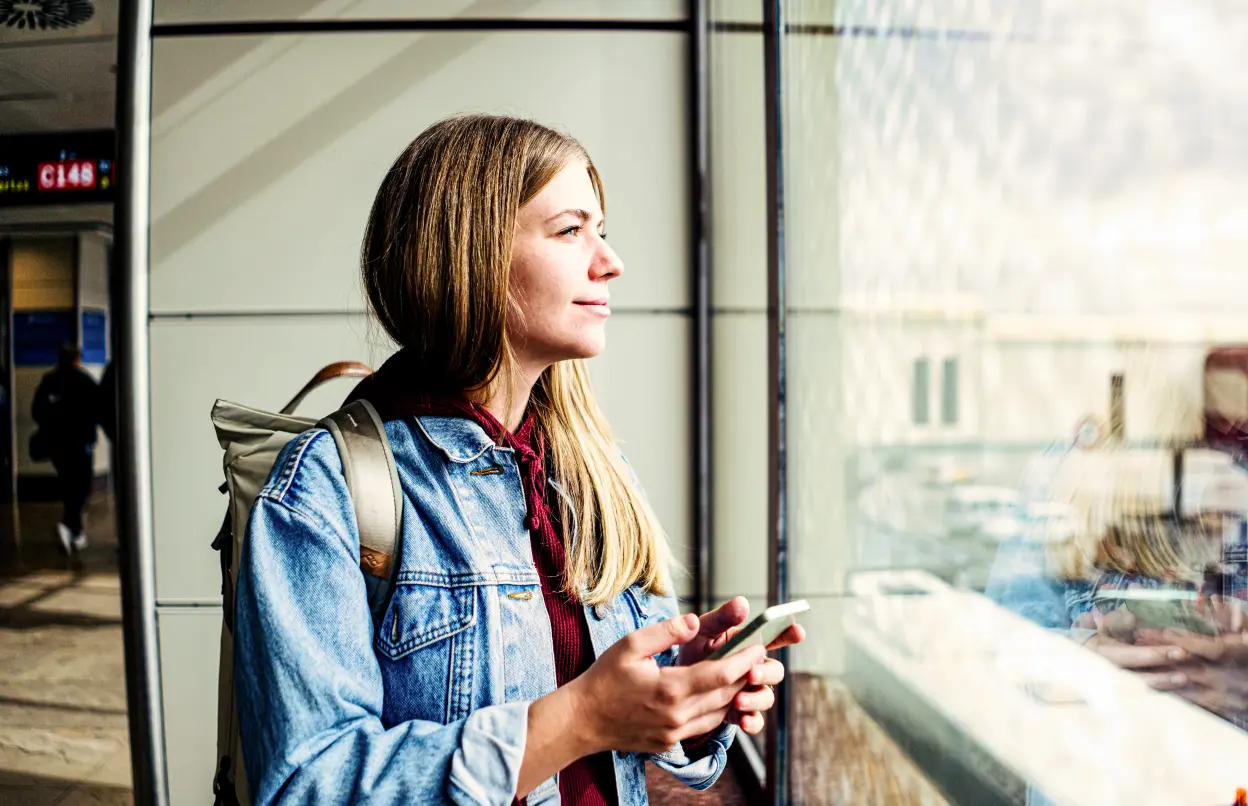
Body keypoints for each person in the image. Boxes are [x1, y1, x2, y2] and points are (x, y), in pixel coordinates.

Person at [233, 114, 805, 805]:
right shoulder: (325, 489)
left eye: (603, 230)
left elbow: (620, 729)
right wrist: (578, 718)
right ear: (469, 254)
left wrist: (687, 689)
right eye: (571, 231)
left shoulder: (595, 469)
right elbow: (305, 785)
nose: (610, 261)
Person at [32, 343, 100, 554]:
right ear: (77, 359)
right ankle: (70, 526)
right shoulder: (84, 380)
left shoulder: (49, 380)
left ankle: (75, 532)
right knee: (82, 487)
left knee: (68, 485)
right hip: (80, 444)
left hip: (56, 444)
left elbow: (37, 411)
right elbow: (97, 409)